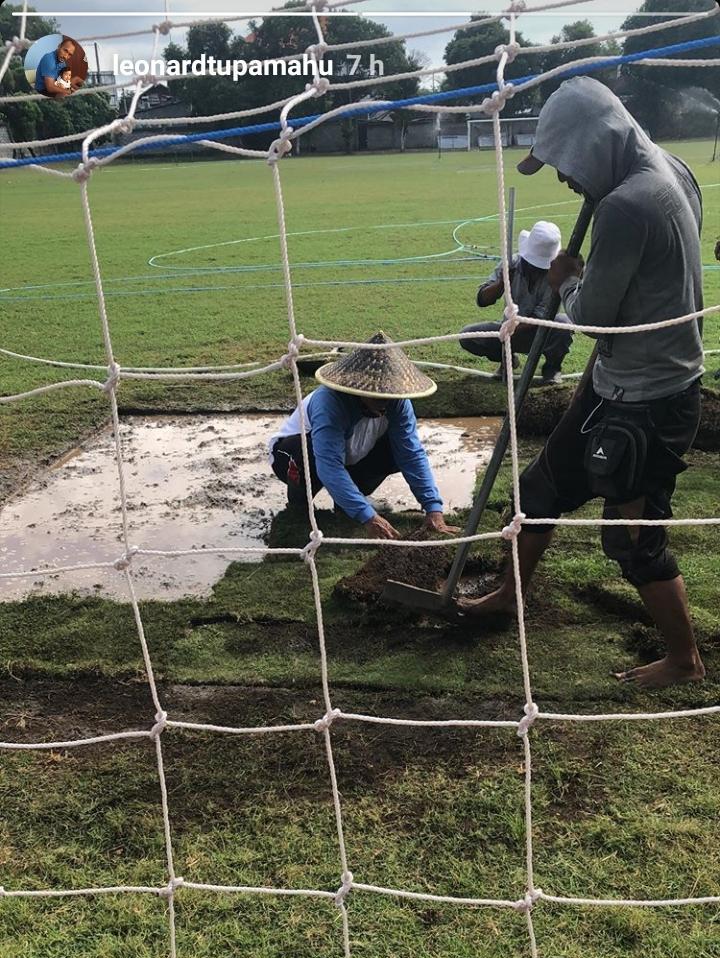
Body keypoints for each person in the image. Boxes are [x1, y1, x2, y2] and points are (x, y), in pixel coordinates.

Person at [459, 77, 705, 691]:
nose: (566, 182)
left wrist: (568, 278)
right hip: (616, 380)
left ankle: (683, 661)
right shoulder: (672, 168)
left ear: (596, 144)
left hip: (651, 395)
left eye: (567, 165)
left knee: (632, 535)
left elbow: (593, 317)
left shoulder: (626, 203)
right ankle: (509, 597)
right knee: (539, 490)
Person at [269, 332, 458, 540]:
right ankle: (299, 504)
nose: (384, 400)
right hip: (297, 453)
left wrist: (433, 508)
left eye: (388, 394)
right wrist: (368, 517)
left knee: (396, 452)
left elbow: (411, 454)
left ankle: (348, 501)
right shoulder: (330, 402)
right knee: (306, 453)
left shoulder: (398, 403)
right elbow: (329, 465)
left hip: (351, 453)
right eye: (377, 394)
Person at [459, 221, 573, 385]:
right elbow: (482, 300)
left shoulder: (555, 276)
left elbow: (541, 316)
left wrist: (511, 329)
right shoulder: (512, 263)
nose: (536, 270)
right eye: (532, 265)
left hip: (538, 331)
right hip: (508, 330)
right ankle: (508, 360)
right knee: (468, 336)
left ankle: (552, 367)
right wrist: (501, 284)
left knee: (564, 324)